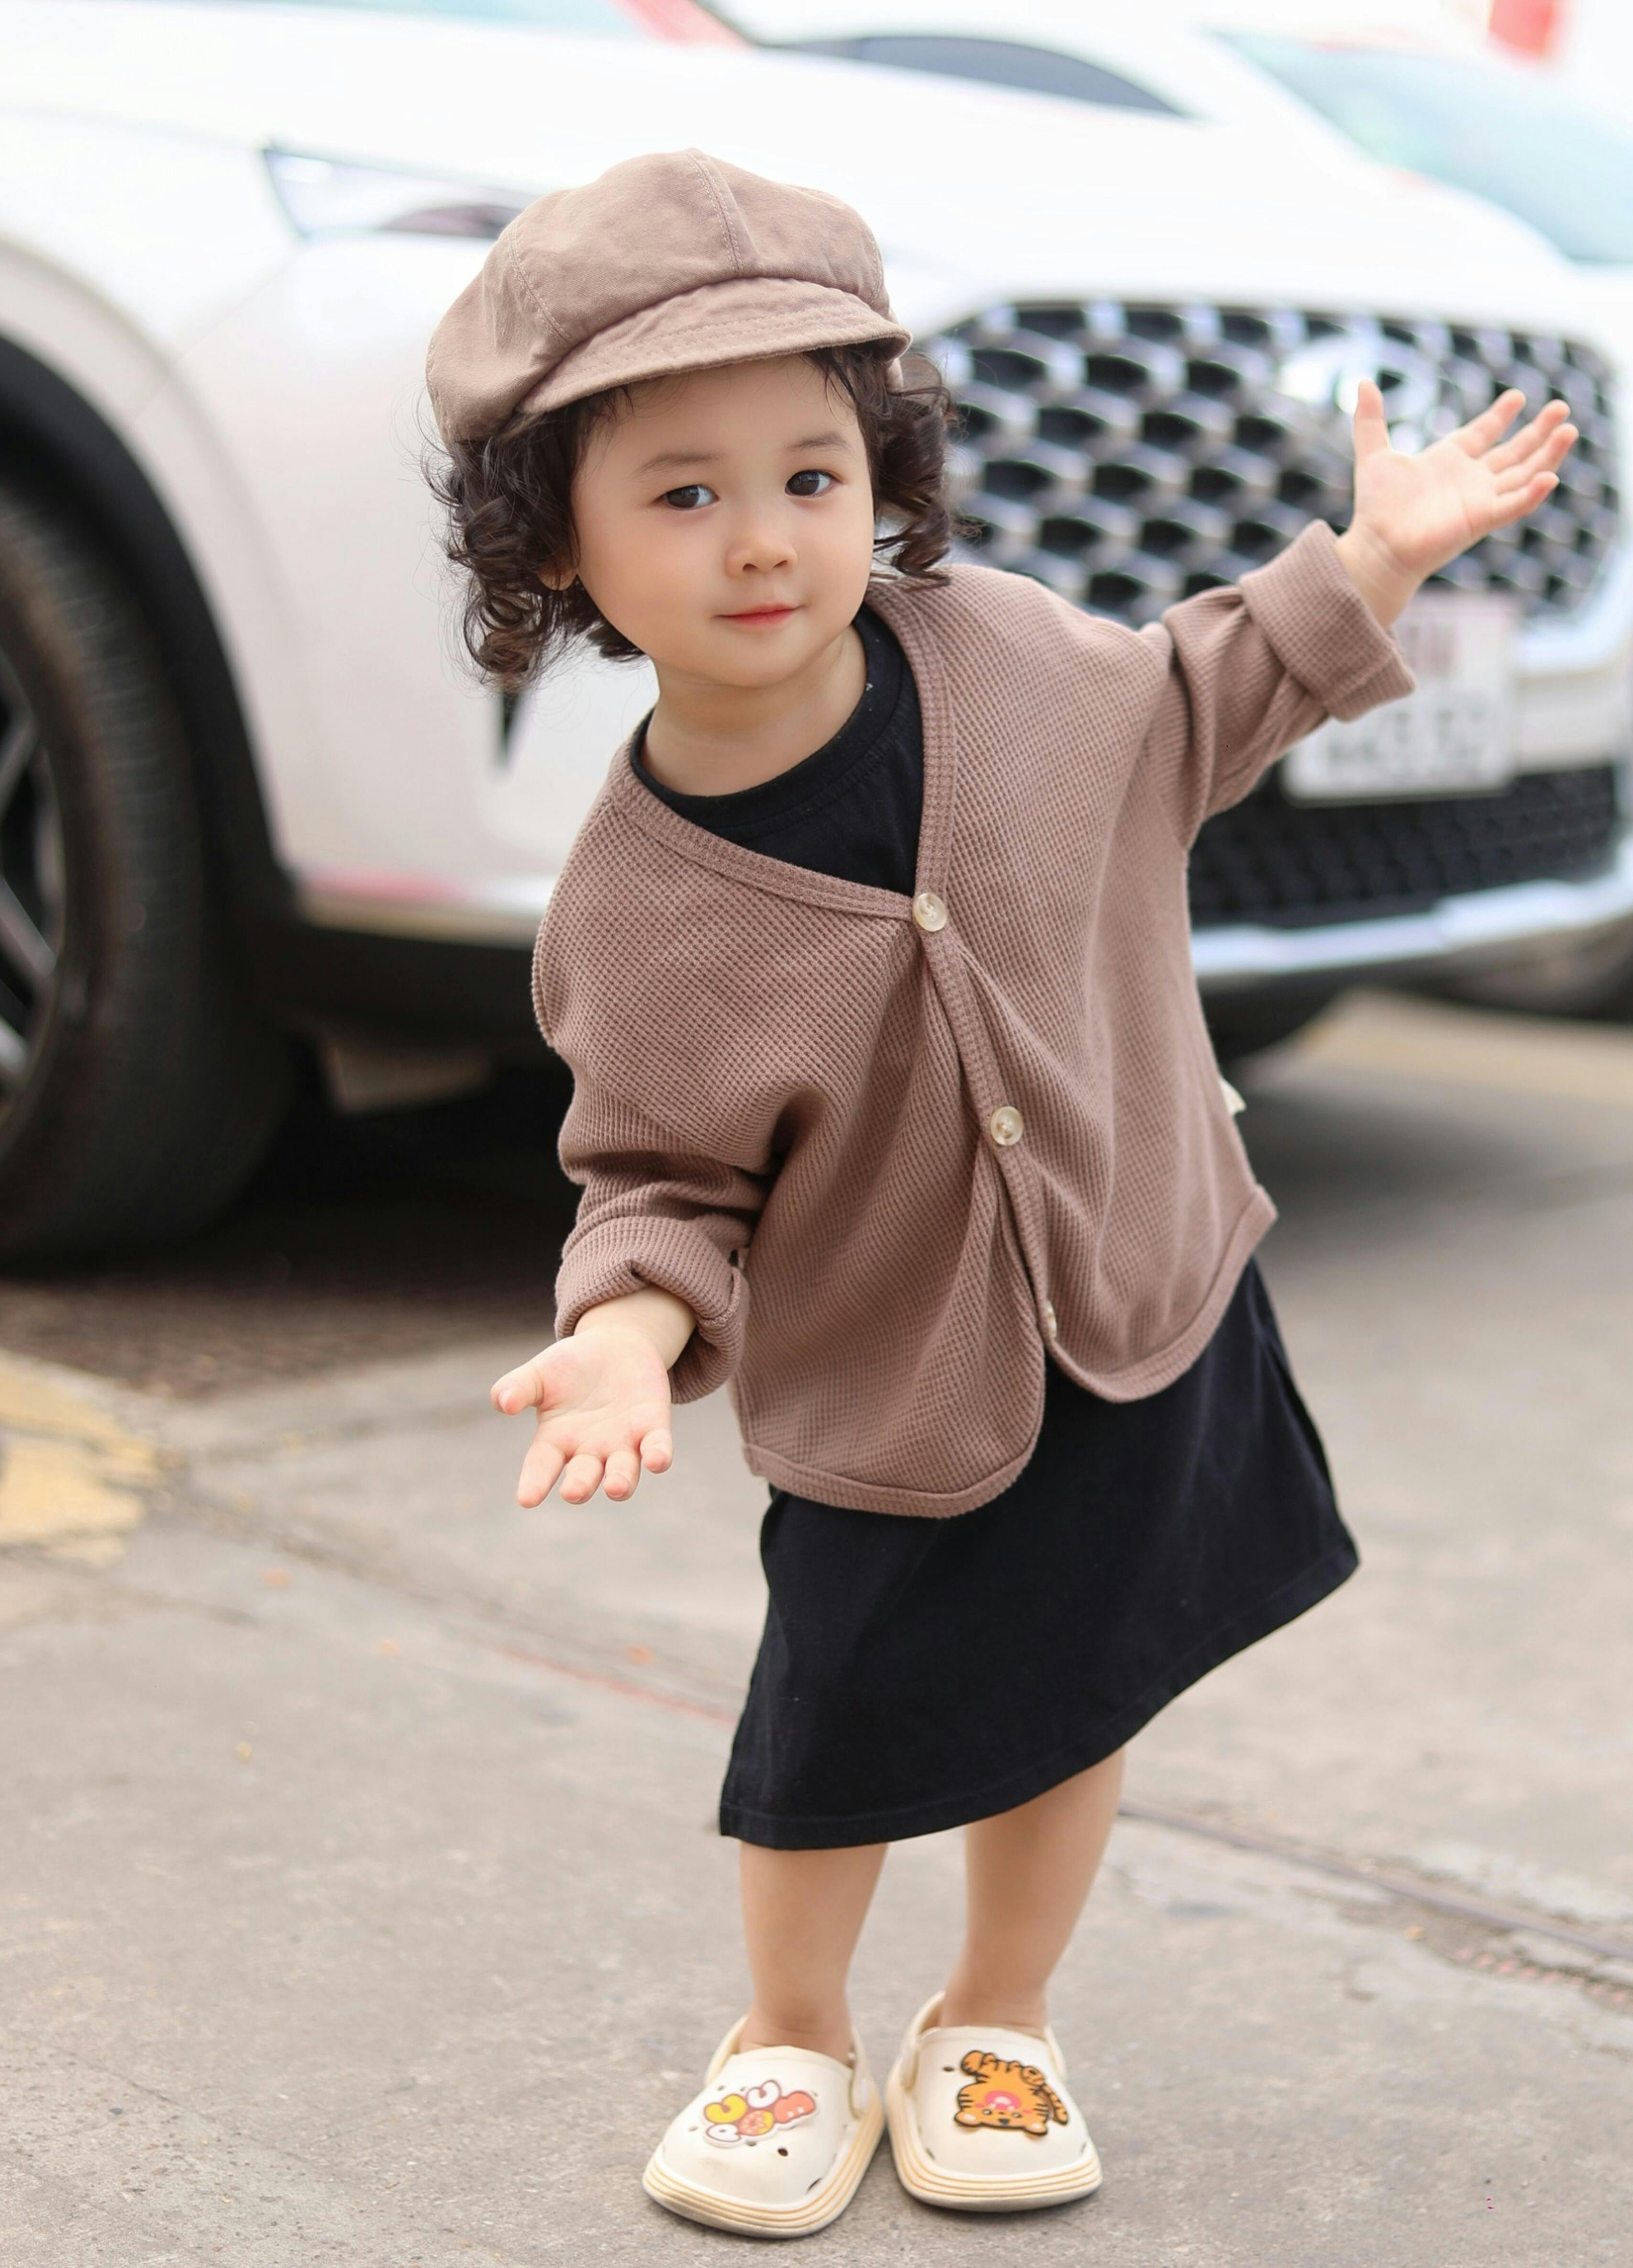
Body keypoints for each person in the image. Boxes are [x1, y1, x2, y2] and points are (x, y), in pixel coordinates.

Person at [426, 148, 1575, 2237]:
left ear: (881, 474)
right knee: (837, 1726)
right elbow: (658, 1180)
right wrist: (617, 1335)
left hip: (1142, 1294)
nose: (764, 538)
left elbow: (1199, 699)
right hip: (897, 1383)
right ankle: (788, 2034)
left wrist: (1375, 561)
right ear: (557, 553)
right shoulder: (639, 904)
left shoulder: (1015, 660)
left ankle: (999, 2016)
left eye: (807, 473)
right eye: (681, 495)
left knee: (1075, 1685)